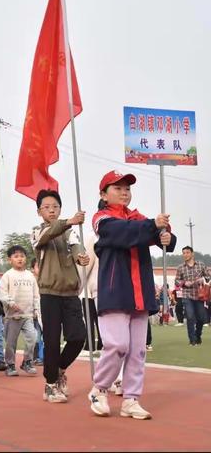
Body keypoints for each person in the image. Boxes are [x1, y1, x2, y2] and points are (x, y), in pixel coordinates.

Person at [88, 170, 176, 420]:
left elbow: (160, 237)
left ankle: (131, 399)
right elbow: (122, 233)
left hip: (140, 294)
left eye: (127, 188)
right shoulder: (101, 219)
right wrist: (153, 227)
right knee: (117, 344)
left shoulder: (138, 218)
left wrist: (166, 235)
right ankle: (99, 389)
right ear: (103, 194)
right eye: (117, 188)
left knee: (138, 350)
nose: (124, 192)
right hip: (114, 292)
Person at [31, 189, 89, 403]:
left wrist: (81, 257)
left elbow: (77, 248)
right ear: (39, 212)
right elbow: (48, 235)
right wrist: (69, 221)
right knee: (52, 340)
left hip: (70, 292)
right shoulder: (38, 232)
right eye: (47, 207)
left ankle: (60, 370)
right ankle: (50, 384)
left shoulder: (69, 232)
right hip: (49, 293)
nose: (52, 210)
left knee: (78, 337)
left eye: (55, 206)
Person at [0, 245, 39, 376]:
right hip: (12, 316)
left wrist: (36, 310)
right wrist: (10, 303)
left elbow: (36, 294)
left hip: (27, 315)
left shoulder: (30, 276)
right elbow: (2, 293)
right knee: (11, 343)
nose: (19, 259)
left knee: (33, 339)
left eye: (22, 256)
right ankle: (10, 365)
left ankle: (27, 362)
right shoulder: (7, 275)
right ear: (10, 260)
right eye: (16, 256)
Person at [175, 246, 209, 346]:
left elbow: (208, 277)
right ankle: (192, 340)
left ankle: (198, 335)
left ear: (192, 254)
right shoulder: (180, 267)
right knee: (190, 316)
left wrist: (202, 280)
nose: (185, 255)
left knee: (201, 318)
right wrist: (184, 283)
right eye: (183, 253)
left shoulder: (201, 265)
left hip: (200, 295)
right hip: (187, 295)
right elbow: (176, 281)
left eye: (187, 252)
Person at [79, 233, 103, 354]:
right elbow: (86, 265)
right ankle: (91, 345)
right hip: (90, 290)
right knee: (92, 319)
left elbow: (86, 266)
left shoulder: (95, 239)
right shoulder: (93, 238)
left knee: (99, 320)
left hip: (96, 288)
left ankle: (98, 345)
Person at [30, 258, 44, 366]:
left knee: (46, 336)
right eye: (38, 266)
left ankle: (42, 357)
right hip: (35, 314)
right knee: (37, 336)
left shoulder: (48, 281)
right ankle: (37, 357)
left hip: (47, 313)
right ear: (32, 269)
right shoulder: (31, 282)